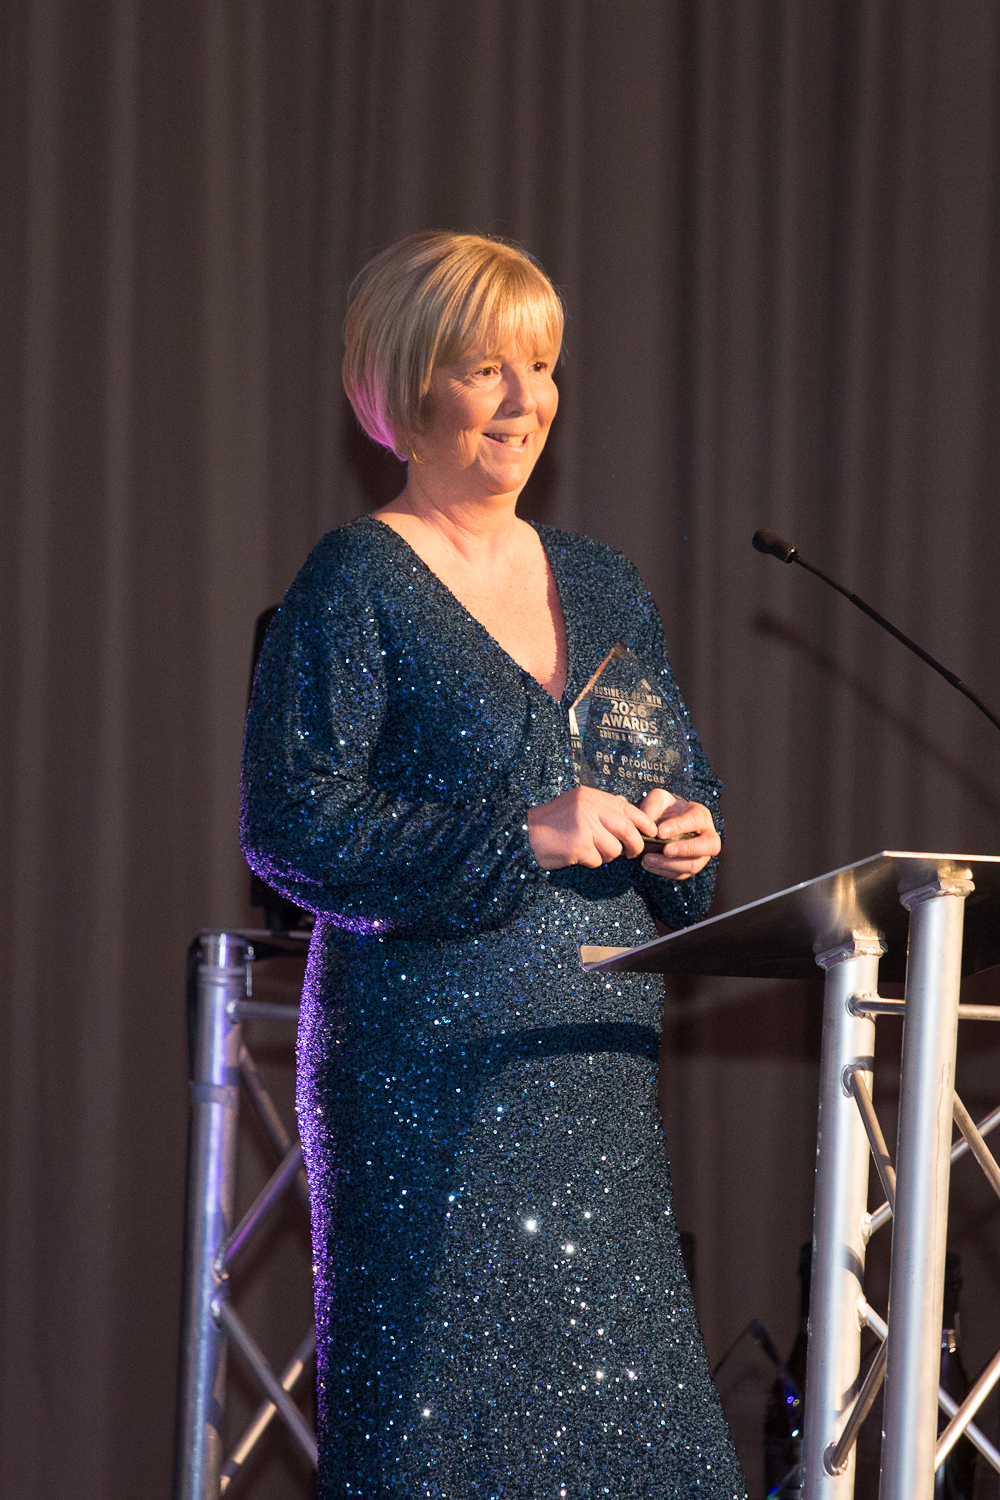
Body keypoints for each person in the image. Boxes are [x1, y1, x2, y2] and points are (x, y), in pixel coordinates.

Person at [241, 230, 746, 1498]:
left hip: (596, 1076)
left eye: (542, 366)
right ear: (407, 390)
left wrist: (687, 835)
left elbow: (670, 771)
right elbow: (292, 825)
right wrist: (520, 831)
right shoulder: (356, 578)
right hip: (426, 1079)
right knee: (440, 1439)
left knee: (635, 1446)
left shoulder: (606, 584)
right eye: (485, 371)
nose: (527, 401)